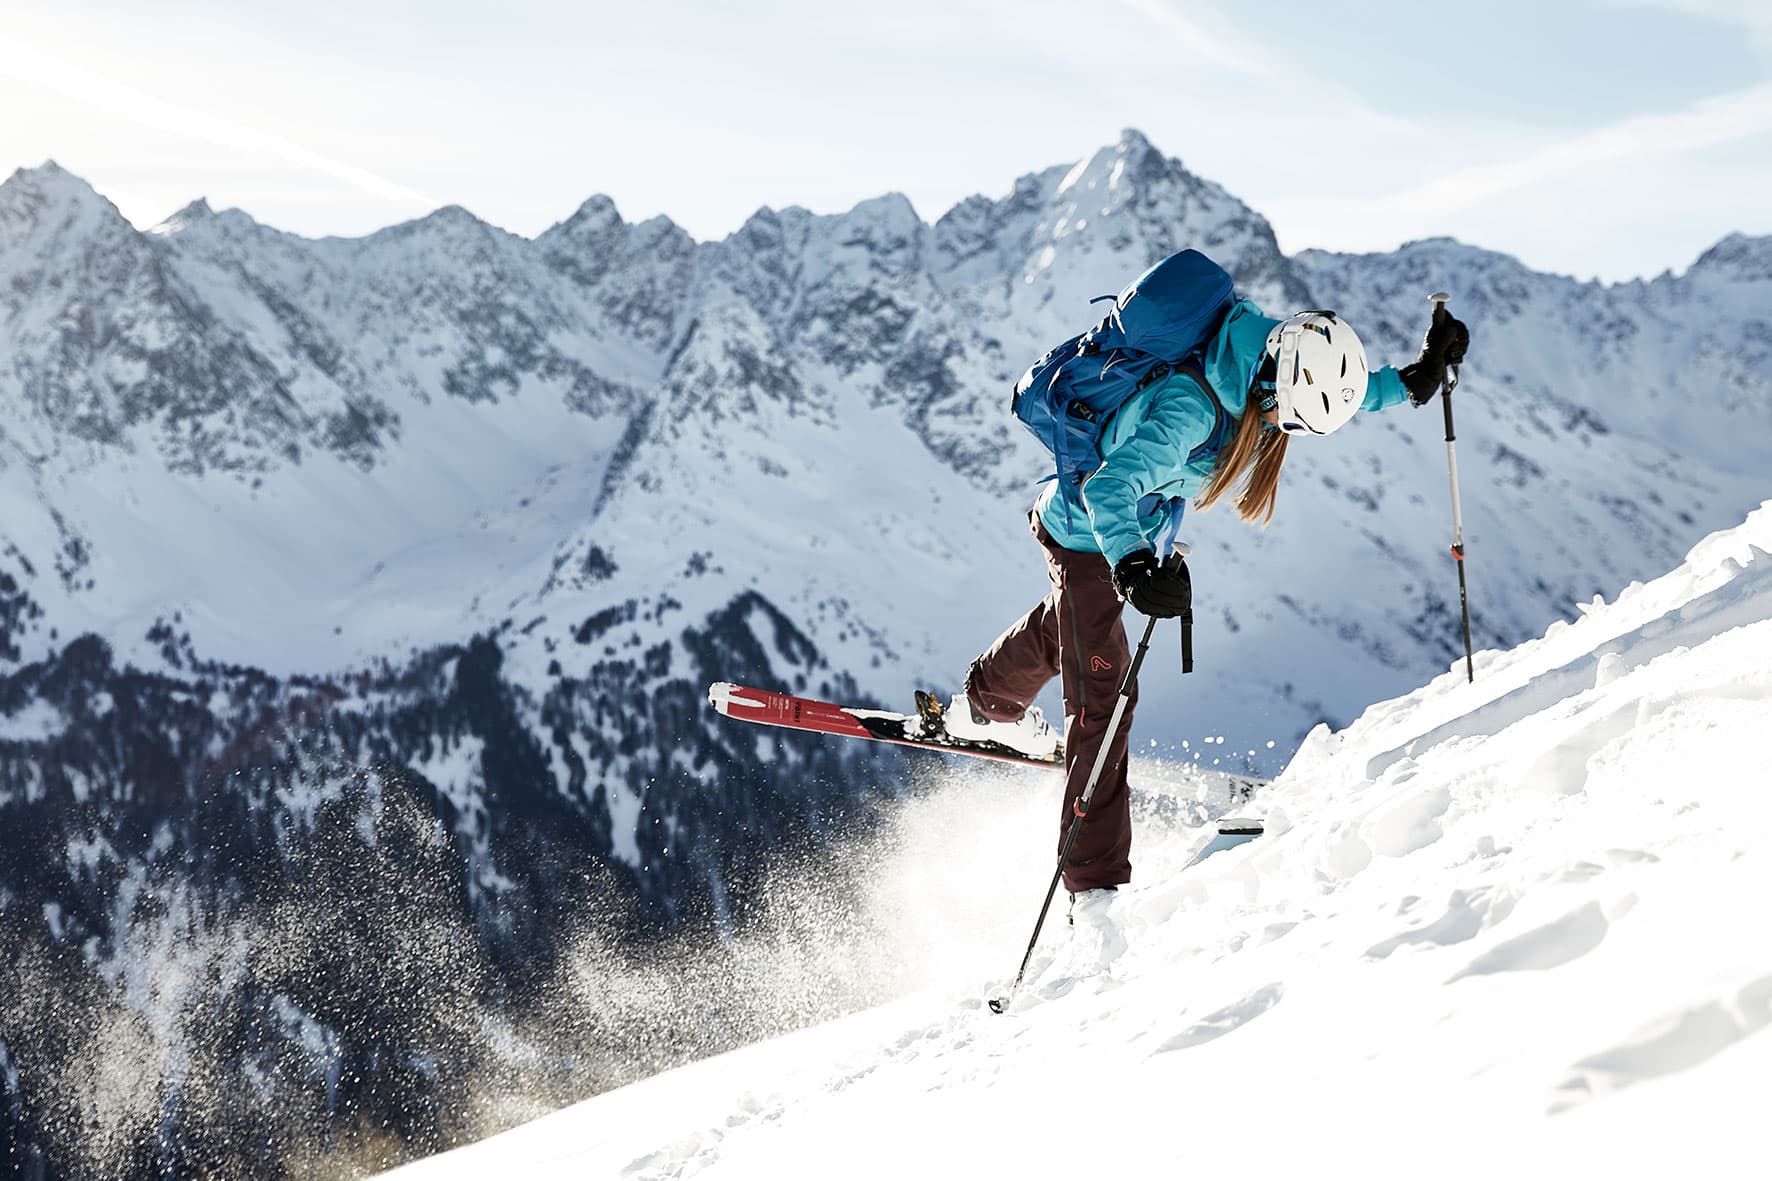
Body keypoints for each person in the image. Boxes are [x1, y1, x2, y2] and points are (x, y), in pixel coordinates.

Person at [940, 281, 1470, 921]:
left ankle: (981, 705)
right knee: (1104, 701)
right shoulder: (1191, 408)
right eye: (1287, 419)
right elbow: (1108, 488)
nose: (1283, 431)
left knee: (1075, 633)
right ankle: (1094, 889)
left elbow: (1334, 393)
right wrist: (1133, 564)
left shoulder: (1268, 351)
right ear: (1273, 385)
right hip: (1089, 534)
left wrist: (1413, 380)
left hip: (1123, 528)